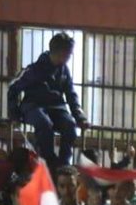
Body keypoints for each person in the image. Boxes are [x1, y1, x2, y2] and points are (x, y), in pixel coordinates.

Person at [8, 32, 87, 167]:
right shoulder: (33, 69)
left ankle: (64, 164)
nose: (69, 57)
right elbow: (13, 88)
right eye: (68, 54)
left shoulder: (64, 71)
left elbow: (71, 94)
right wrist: (14, 114)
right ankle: (48, 162)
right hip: (33, 106)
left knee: (69, 126)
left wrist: (79, 117)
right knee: (44, 124)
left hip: (56, 107)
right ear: (59, 53)